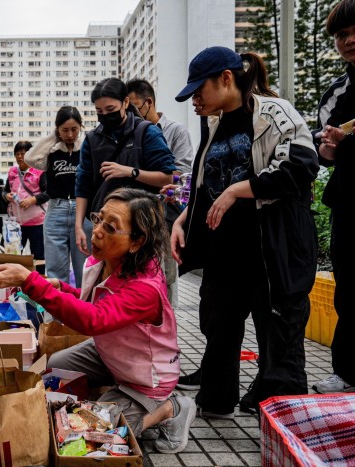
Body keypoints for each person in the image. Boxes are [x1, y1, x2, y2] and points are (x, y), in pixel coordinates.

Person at [0, 188, 195, 454]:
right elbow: (93, 302)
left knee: (95, 431)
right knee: (56, 367)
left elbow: (93, 320)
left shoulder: (145, 288)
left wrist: (29, 280)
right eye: (98, 219)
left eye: (111, 227)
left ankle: (171, 408)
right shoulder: (104, 260)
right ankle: (110, 396)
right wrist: (59, 286)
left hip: (146, 378)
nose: (97, 231)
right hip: (112, 352)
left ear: (137, 242)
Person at [171, 46, 319, 417]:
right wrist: (183, 219)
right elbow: (210, 187)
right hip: (225, 250)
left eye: (198, 91)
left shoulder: (273, 111)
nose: (194, 101)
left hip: (271, 246)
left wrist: (238, 190)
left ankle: (283, 422)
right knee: (218, 326)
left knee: (278, 335)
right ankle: (216, 402)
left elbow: (301, 167)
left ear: (225, 78)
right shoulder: (215, 123)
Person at [75, 77, 176, 265]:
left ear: (126, 103)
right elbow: (83, 184)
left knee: (142, 282)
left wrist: (131, 172)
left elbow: (168, 177)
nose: (105, 115)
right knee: (104, 282)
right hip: (105, 228)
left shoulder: (146, 132)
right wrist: (78, 226)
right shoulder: (92, 139)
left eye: (110, 109)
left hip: (141, 228)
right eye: (99, 111)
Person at [311, 0, 355, 394]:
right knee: (349, 289)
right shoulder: (337, 91)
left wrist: (348, 142)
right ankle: (345, 372)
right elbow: (324, 149)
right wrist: (328, 148)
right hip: (348, 202)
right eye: (342, 35)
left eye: (354, 31)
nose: (349, 39)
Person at [127, 78, 195, 307]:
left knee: (166, 275)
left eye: (135, 108)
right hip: (136, 216)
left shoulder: (175, 132)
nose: (132, 114)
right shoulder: (130, 135)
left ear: (149, 102)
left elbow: (183, 176)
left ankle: (167, 328)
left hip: (166, 215)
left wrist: (144, 174)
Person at [25, 105, 92, 287]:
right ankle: (56, 314)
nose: (70, 134)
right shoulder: (52, 152)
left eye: (74, 129)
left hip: (83, 212)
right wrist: (54, 137)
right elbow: (30, 159)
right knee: (55, 271)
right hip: (56, 211)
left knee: (84, 270)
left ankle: (82, 312)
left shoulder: (88, 149)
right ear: (57, 129)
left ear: (81, 127)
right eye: (65, 130)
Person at [4, 140, 49, 274]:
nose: (19, 156)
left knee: (39, 255)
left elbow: (49, 193)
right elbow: (4, 191)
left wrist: (32, 200)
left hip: (37, 223)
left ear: (31, 154)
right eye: (17, 153)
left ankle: (40, 281)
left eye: (23, 153)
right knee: (15, 256)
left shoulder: (40, 171)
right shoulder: (12, 172)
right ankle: (15, 282)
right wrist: (7, 196)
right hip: (16, 224)